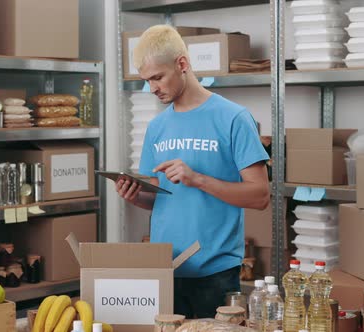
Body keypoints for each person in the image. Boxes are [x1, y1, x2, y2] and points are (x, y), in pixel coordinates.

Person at [115, 25, 270, 319]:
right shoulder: (157, 127)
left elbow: (261, 196)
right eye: (147, 81)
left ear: (182, 64)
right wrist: (135, 196)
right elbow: (162, 200)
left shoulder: (233, 118)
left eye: (158, 77)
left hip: (216, 274)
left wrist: (197, 178)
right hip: (165, 269)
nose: (153, 88)